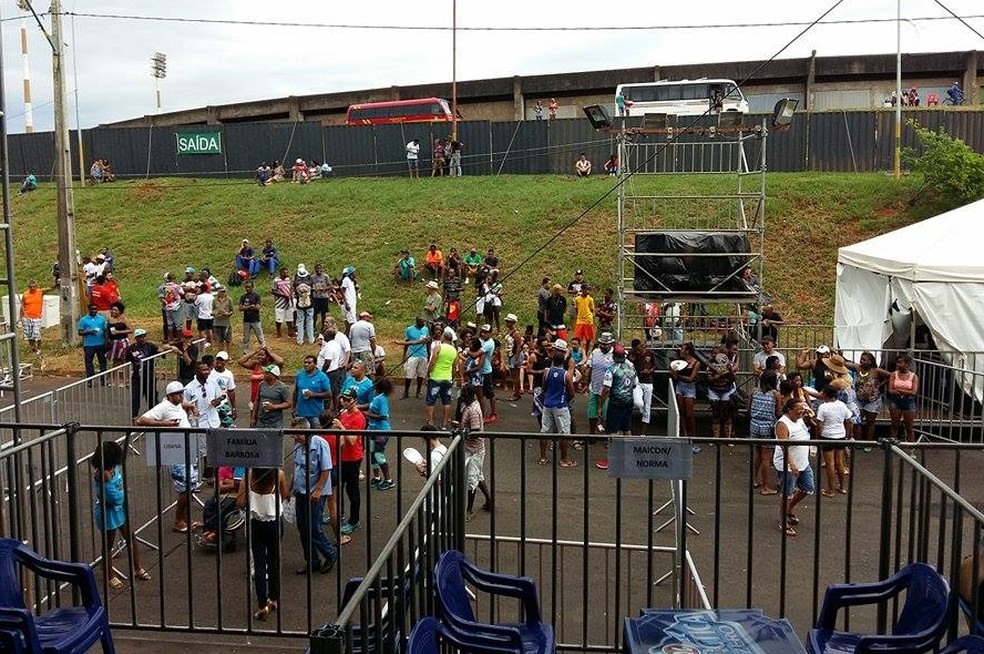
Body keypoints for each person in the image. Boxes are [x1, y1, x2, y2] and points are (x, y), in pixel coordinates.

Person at [137, 380, 198, 532]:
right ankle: (178, 521)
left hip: (186, 448)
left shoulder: (177, 404)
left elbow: (181, 405)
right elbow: (141, 420)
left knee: (191, 485)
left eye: (182, 393)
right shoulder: (163, 407)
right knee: (185, 487)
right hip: (175, 451)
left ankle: (184, 519)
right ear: (170, 396)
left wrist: (190, 406)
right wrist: (165, 424)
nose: (181, 396)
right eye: (178, 394)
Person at [90, 441, 151, 590]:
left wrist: (122, 494)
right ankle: (109, 575)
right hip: (108, 511)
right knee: (108, 545)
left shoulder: (113, 468)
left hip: (118, 508)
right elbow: (113, 496)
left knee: (130, 537)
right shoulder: (103, 473)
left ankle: (137, 568)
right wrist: (123, 493)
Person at [236, 466, 289, 618]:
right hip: (274, 522)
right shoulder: (279, 474)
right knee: (274, 562)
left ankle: (262, 605)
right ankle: (274, 598)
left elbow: (240, 502)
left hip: (256, 523)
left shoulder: (249, 475)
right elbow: (285, 495)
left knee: (259, 565)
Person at [289, 423, 337, 575]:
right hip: (300, 491)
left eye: (297, 433)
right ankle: (312, 561)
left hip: (315, 493)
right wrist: (289, 489)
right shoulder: (298, 446)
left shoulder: (320, 444)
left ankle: (330, 553)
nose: (294, 436)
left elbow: (326, 469)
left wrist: (318, 489)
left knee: (314, 527)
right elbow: (296, 469)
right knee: (303, 528)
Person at [774, 398, 815, 538]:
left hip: (803, 461)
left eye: (802, 409)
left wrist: (810, 418)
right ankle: (783, 521)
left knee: (808, 488)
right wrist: (791, 463)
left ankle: (790, 508)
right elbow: (783, 445)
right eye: (799, 409)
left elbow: (812, 428)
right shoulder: (783, 424)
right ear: (789, 410)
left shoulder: (801, 419)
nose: (801, 411)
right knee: (787, 494)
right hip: (788, 465)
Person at [596, 343, 638, 470]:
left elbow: (606, 390)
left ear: (614, 356)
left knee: (612, 431)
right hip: (628, 402)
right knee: (627, 428)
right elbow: (635, 385)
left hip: (616, 403)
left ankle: (612, 461)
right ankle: (630, 459)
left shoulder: (611, 369)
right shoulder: (631, 368)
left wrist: (600, 405)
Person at [336, 387, 367, 536]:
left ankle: (354, 521)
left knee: (352, 490)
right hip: (341, 456)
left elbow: (353, 441)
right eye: (343, 399)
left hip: (353, 458)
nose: (344, 402)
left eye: (348, 400)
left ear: (354, 400)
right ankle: (339, 513)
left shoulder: (359, 417)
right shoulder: (343, 413)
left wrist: (341, 428)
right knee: (338, 487)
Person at [459, 385, 492, 519]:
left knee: (472, 478)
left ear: (467, 395)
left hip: (474, 449)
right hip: (470, 447)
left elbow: (476, 432)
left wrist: (464, 434)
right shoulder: (468, 406)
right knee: (478, 476)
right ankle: (489, 501)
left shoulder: (472, 410)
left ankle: (469, 509)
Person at [539, 350, 577, 468]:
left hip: (547, 404)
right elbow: (572, 392)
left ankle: (543, 457)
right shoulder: (566, 375)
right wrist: (566, 399)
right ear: (564, 361)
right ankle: (564, 459)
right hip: (560, 405)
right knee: (564, 433)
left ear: (553, 360)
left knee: (544, 431)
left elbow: (543, 387)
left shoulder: (547, 371)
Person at [815, 384, 852, 497]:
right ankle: (842, 486)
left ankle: (830, 490)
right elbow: (849, 420)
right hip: (840, 435)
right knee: (839, 462)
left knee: (830, 464)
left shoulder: (823, 407)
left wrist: (817, 437)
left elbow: (819, 424)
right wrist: (848, 434)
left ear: (826, 395)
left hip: (827, 436)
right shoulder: (842, 405)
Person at [750, 372, 781, 495]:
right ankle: (765, 486)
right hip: (767, 426)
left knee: (757, 454)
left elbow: (748, 407)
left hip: (754, 424)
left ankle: (755, 479)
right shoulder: (775, 394)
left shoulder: (754, 391)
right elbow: (778, 412)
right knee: (766, 458)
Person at [850, 351, 890, 441]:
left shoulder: (876, 371)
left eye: (864, 360)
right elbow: (845, 364)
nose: (861, 361)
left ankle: (869, 442)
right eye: (861, 359)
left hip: (873, 400)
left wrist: (880, 385)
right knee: (857, 420)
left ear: (870, 361)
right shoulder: (857, 368)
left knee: (870, 422)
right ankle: (857, 441)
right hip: (859, 399)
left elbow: (890, 376)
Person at [425, 327, 458, 428]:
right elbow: (454, 366)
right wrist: (453, 377)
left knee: (431, 401)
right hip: (447, 378)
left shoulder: (438, 347)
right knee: (446, 401)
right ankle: (444, 424)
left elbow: (433, 361)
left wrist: (428, 374)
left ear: (443, 338)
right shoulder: (454, 350)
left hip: (436, 377)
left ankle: (430, 422)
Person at [367, 378, 395, 490]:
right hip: (372, 430)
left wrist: (368, 414)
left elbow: (383, 416)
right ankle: (377, 477)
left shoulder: (382, 399)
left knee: (379, 455)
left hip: (382, 431)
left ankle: (388, 480)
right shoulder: (375, 397)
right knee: (373, 454)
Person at [586, 332, 615, 436]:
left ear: (610, 344)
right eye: (601, 343)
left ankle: (608, 438)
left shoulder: (614, 355)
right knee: (591, 414)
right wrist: (587, 384)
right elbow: (590, 369)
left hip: (607, 391)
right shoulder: (595, 352)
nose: (602, 346)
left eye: (605, 344)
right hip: (594, 388)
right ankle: (592, 435)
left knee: (607, 415)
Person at [670, 343, 701, 439]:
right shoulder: (679, 362)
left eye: (683, 349)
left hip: (689, 387)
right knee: (681, 411)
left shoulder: (696, 363)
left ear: (687, 351)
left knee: (689, 414)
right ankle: (684, 434)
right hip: (680, 386)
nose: (681, 351)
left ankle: (692, 435)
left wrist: (678, 376)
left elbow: (692, 378)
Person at [293, 355, 331, 429]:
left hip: (316, 414)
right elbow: (296, 392)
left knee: (316, 436)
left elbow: (329, 394)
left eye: (309, 362)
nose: (306, 364)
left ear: (315, 364)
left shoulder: (322, 376)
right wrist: (293, 407)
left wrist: (314, 395)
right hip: (301, 413)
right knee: (300, 437)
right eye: (305, 362)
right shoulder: (300, 375)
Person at [888, 354, 919, 443]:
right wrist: (906, 391)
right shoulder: (894, 374)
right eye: (897, 362)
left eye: (900, 363)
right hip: (895, 401)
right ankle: (892, 445)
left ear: (907, 364)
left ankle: (911, 448)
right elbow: (890, 390)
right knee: (894, 425)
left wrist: (898, 389)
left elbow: (914, 392)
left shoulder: (914, 376)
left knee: (909, 427)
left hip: (909, 402)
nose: (898, 365)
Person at [706, 348, 736, 439]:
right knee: (716, 414)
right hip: (714, 391)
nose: (714, 355)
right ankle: (716, 437)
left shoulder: (729, 364)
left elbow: (733, 379)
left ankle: (728, 438)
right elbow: (709, 379)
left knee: (727, 414)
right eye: (713, 354)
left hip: (726, 390)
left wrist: (730, 371)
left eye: (717, 354)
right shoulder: (710, 364)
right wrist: (719, 376)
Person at [20, 279, 54, 354]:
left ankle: (38, 347)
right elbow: (22, 305)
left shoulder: (40, 291)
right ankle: (33, 348)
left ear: (37, 286)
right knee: (29, 334)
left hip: (36, 316)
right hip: (27, 316)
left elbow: (50, 288)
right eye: (31, 287)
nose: (32, 288)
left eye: (34, 286)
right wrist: (21, 316)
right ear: (28, 287)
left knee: (36, 333)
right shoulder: (25, 294)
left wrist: (56, 284)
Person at [629, 339, 655, 434]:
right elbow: (629, 364)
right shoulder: (633, 354)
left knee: (647, 407)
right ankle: (630, 427)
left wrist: (649, 371)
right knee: (637, 402)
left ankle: (643, 432)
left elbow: (653, 366)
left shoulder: (649, 353)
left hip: (648, 382)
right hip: (638, 382)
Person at [400, 316, 430, 399]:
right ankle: (406, 392)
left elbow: (427, 343)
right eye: (421, 322)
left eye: (423, 322)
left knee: (421, 374)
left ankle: (418, 391)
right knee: (409, 374)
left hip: (423, 355)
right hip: (412, 354)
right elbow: (407, 343)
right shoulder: (409, 329)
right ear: (416, 321)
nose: (422, 324)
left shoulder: (426, 329)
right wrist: (404, 355)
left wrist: (429, 354)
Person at [78, 304, 109, 383]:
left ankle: (103, 379)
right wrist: (89, 331)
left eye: (95, 309)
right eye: (92, 309)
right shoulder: (83, 320)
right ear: (89, 309)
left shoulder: (102, 319)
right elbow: (80, 332)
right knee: (89, 362)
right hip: (89, 344)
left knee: (102, 361)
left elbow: (105, 331)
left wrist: (106, 342)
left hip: (100, 344)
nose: (94, 311)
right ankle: (90, 380)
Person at [208, 351, 238, 426]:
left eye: (222, 360)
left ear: (226, 361)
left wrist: (234, 408)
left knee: (228, 426)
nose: (219, 362)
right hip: (211, 404)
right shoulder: (209, 372)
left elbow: (231, 391)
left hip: (223, 404)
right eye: (218, 359)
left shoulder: (228, 374)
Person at [349, 311, 377, 375]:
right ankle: (370, 384)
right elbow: (372, 340)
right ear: (365, 317)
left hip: (355, 352)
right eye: (369, 318)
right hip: (365, 351)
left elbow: (350, 340)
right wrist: (373, 351)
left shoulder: (353, 326)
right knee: (369, 372)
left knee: (356, 372)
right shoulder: (369, 325)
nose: (370, 319)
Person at [239, 280, 264, 353]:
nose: (247, 289)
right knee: (246, 338)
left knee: (260, 337)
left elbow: (257, 307)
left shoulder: (256, 296)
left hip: (255, 320)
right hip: (246, 320)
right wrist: (251, 306)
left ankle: (264, 350)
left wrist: (246, 307)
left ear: (252, 287)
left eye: (249, 287)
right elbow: (240, 308)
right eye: (246, 287)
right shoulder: (243, 297)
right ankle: (246, 352)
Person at [271, 268, 295, 339]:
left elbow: (291, 288)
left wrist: (290, 294)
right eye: (285, 273)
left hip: (288, 302)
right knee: (279, 319)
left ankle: (290, 332)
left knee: (289, 318)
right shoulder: (276, 280)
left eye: (287, 273)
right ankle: (278, 332)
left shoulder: (288, 279)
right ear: (281, 273)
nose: (287, 274)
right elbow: (273, 291)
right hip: (280, 303)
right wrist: (283, 295)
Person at [294, 265, 315, 345]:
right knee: (309, 320)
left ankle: (300, 340)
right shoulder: (309, 284)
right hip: (309, 303)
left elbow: (296, 293)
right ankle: (311, 339)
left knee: (300, 321)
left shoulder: (297, 285)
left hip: (300, 304)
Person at [573, 284, 596, 354]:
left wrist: (589, 316)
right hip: (580, 320)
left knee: (588, 338)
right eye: (586, 289)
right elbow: (576, 309)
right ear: (582, 290)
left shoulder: (590, 299)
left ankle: (585, 352)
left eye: (588, 289)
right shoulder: (577, 299)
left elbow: (591, 309)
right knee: (577, 337)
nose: (587, 291)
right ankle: (578, 351)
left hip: (588, 320)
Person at [309, 263, 333, 330]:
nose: (318, 270)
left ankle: (323, 326)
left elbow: (330, 286)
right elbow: (310, 286)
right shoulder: (312, 277)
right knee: (314, 313)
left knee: (323, 313)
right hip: (315, 297)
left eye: (320, 268)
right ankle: (313, 327)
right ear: (315, 269)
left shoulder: (326, 277)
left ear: (322, 269)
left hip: (323, 297)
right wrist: (312, 290)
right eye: (317, 268)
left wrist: (324, 289)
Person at [212, 286, 234, 352]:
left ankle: (228, 355)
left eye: (224, 291)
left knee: (228, 340)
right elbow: (213, 310)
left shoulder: (229, 300)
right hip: (217, 322)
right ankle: (221, 354)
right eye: (221, 291)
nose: (222, 293)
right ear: (218, 292)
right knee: (219, 340)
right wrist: (216, 313)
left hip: (226, 323)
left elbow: (232, 311)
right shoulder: (214, 300)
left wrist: (227, 314)